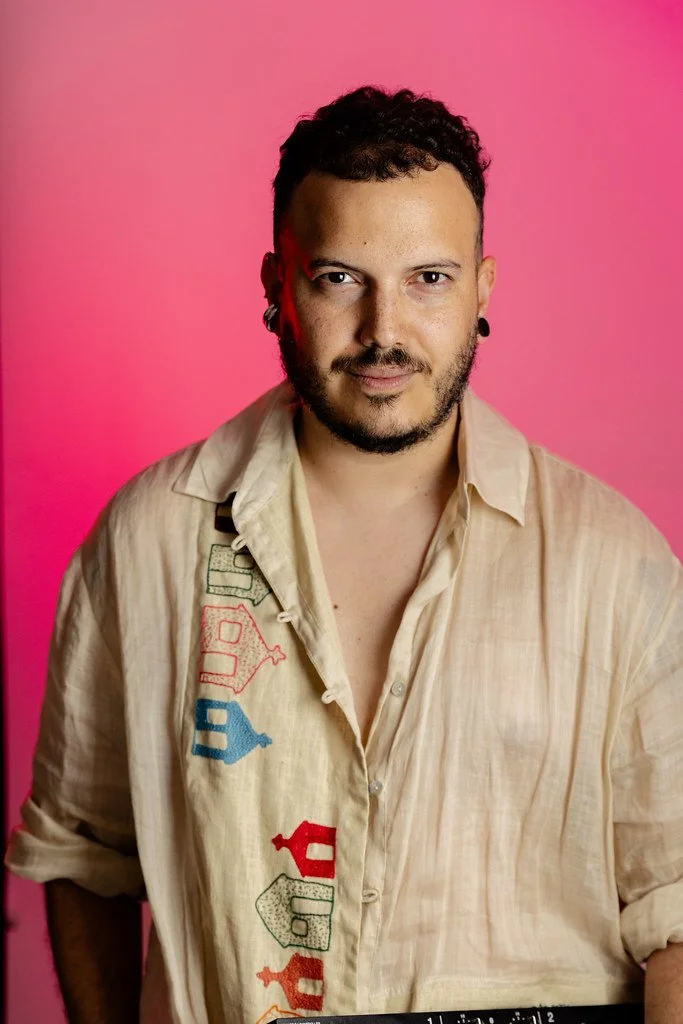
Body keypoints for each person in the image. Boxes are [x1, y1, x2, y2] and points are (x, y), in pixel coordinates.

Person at [5, 85, 683, 1024]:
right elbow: (84, 853)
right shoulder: (148, 540)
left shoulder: (614, 564)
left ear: (484, 288)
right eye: (338, 278)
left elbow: (676, 903)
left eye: (428, 279)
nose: (384, 332)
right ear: (276, 288)